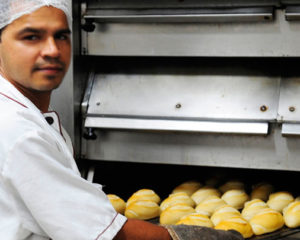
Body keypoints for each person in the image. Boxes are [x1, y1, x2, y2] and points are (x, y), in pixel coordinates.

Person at [0, 1, 244, 240]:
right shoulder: (19, 131)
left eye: (61, 36)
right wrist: (186, 236)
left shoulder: (22, 113)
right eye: (32, 37)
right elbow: (105, 235)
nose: (53, 50)